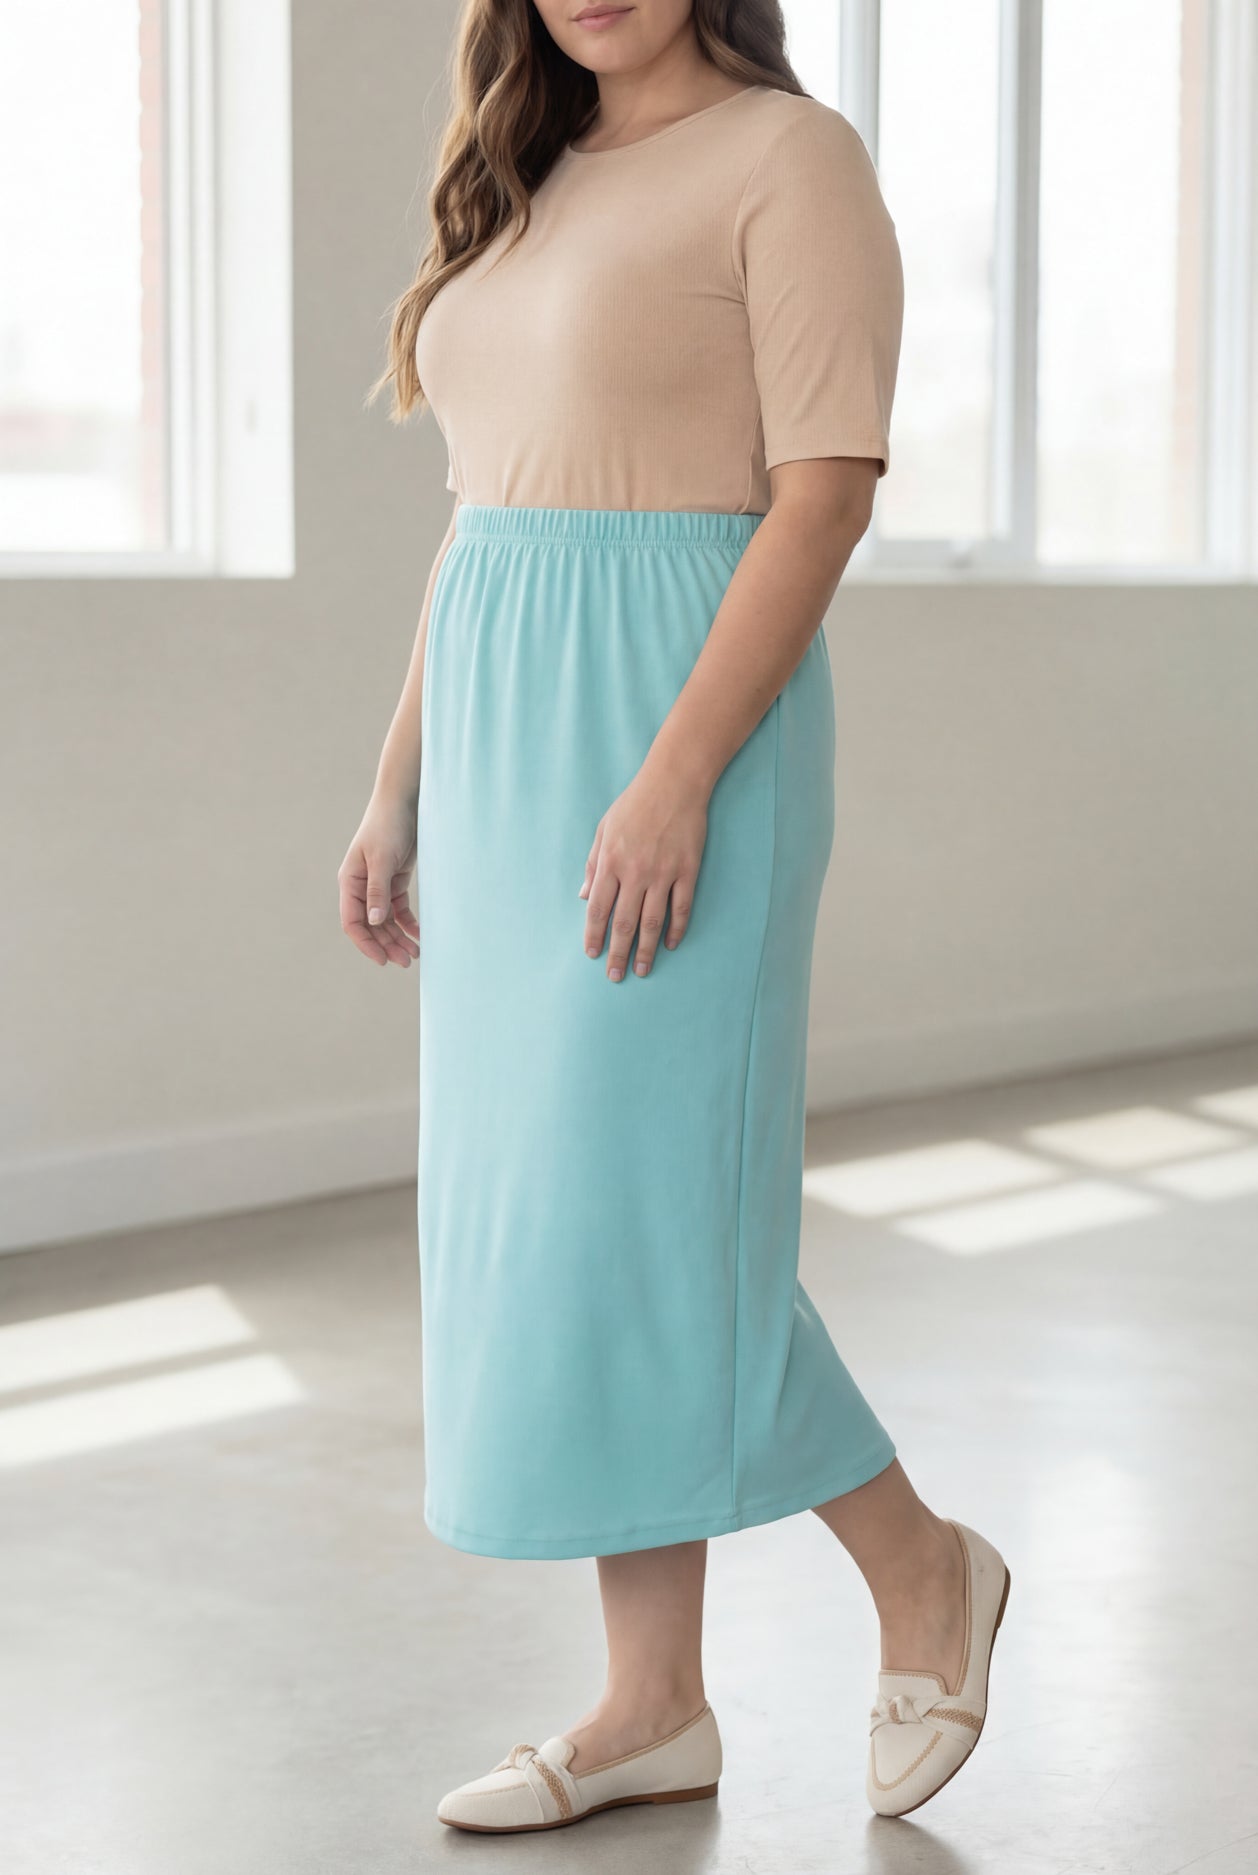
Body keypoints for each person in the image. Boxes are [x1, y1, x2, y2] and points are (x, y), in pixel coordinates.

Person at [344, 0, 1010, 1834]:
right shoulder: (530, 173)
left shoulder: (791, 161)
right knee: (558, 1222)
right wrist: (399, 782)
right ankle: (650, 1705)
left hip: (680, 728)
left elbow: (823, 498)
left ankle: (923, 1569)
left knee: (651, 1216)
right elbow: (482, 518)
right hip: (504, 750)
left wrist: (675, 774)